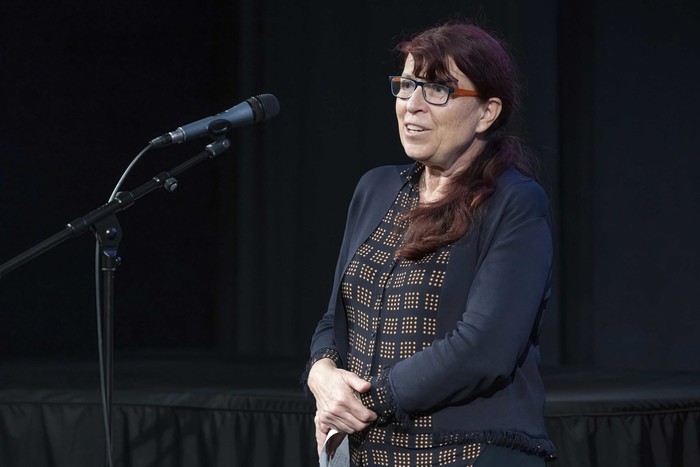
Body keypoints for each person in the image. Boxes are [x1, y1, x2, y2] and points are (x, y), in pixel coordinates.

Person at [304, 20, 556, 466]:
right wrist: (320, 373)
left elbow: (484, 350)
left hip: (466, 451)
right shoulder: (375, 188)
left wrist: (364, 401)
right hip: (363, 452)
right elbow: (335, 317)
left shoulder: (514, 202)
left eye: (437, 90)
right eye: (406, 86)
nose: (412, 105)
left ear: (487, 112)